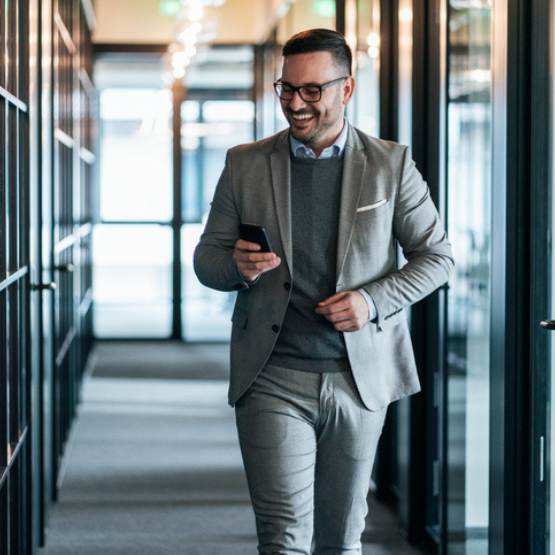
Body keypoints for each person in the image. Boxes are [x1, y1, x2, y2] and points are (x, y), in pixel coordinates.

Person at [194, 28, 454, 555]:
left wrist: (372, 300)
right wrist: (238, 268)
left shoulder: (390, 165)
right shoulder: (245, 164)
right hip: (272, 375)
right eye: (286, 89)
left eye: (312, 90)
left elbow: (438, 259)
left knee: (340, 539)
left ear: (346, 89)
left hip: (358, 380)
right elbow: (207, 260)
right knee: (284, 537)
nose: (296, 103)